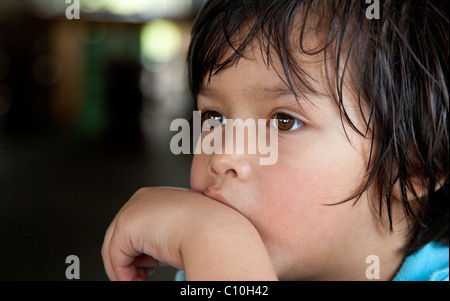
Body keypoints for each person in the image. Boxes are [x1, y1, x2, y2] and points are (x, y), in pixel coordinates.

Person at [101, 0, 449, 281]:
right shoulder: (212, 259)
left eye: (284, 122)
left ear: (413, 166)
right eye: (213, 117)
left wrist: (217, 240)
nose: (221, 156)